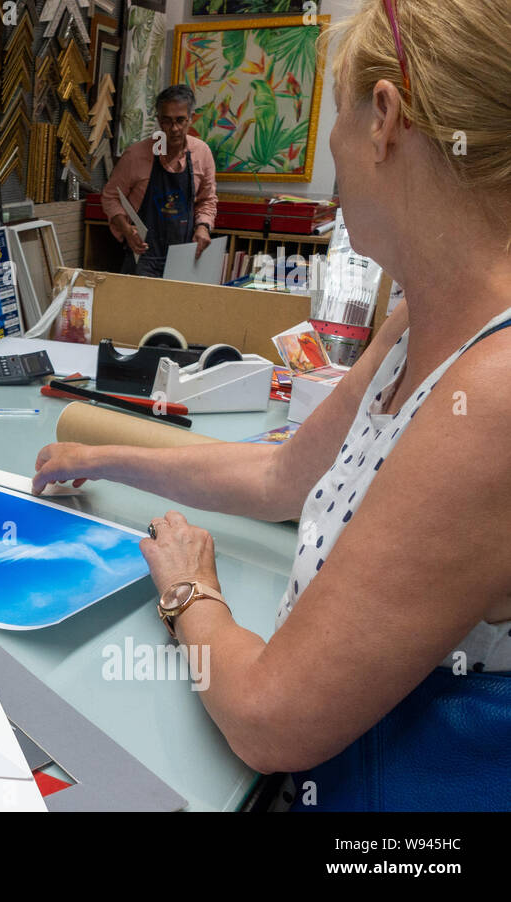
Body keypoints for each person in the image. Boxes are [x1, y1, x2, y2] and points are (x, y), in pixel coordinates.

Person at [35, 0, 511, 809]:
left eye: (337, 120)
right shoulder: (425, 316)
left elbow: (268, 716)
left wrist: (192, 592)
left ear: (385, 119)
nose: (332, 150)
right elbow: (285, 474)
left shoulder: (493, 392)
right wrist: (104, 456)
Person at [102, 84, 219, 278]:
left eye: (180, 120)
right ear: (158, 120)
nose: (174, 128)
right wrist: (125, 228)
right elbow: (110, 197)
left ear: (191, 118)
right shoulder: (136, 155)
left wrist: (203, 227)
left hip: (184, 257)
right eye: (167, 121)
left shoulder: (202, 153)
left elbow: (207, 200)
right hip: (142, 256)